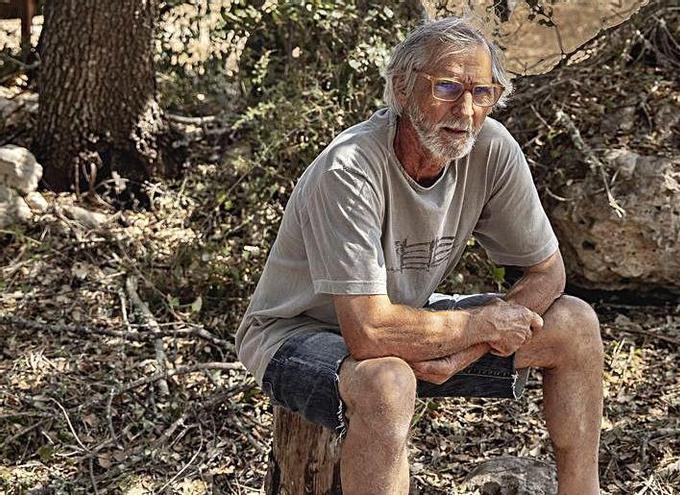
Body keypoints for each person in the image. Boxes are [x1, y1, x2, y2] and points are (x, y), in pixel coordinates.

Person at [236, 16, 604, 495]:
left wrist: (464, 351)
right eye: (447, 87)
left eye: (483, 92)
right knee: (386, 382)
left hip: (410, 324)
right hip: (298, 333)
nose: (467, 109)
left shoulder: (491, 150)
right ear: (402, 89)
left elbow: (547, 271)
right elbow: (368, 333)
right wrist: (480, 326)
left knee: (574, 323)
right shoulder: (350, 168)